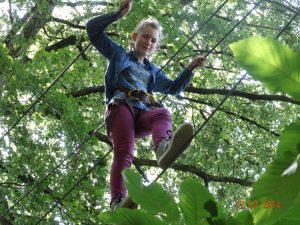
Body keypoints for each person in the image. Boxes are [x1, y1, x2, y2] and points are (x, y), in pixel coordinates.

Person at [86, 0, 206, 211]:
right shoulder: (119, 54)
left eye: (153, 40)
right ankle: (117, 202)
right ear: (134, 37)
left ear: (156, 46)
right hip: (121, 107)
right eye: (144, 36)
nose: (148, 42)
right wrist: (117, 14)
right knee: (124, 153)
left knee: (163, 113)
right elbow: (92, 30)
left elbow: (173, 88)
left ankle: (162, 148)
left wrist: (190, 68)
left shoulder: (153, 72)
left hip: (142, 112)